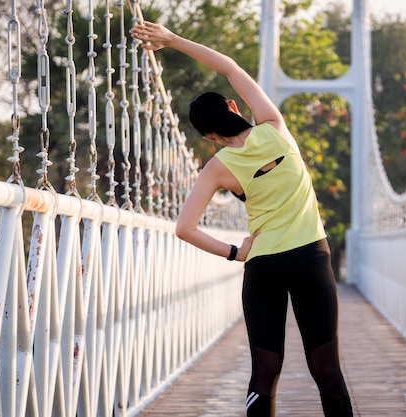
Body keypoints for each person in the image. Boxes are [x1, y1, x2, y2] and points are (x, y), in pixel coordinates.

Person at [131, 21, 353, 417]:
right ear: (234, 107)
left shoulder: (217, 167)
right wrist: (173, 40)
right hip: (310, 260)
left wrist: (236, 253)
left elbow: (184, 228)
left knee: (264, 374)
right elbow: (230, 68)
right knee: (327, 372)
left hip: (263, 265)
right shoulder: (274, 127)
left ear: (209, 137)